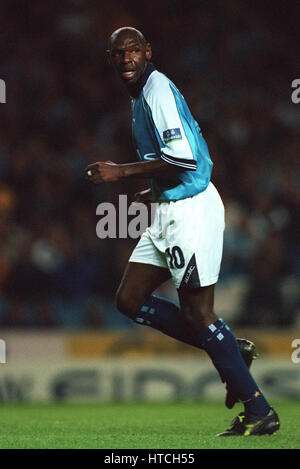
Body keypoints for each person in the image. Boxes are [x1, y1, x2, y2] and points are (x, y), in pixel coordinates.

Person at [85, 27, 280, 436]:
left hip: (190, 213)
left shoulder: (156, 91)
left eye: (134, 50)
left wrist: (120, 172)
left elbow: (183, 159)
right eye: (119, 53)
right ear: (111, 59)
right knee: (130, 299)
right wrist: (151, 189)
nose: (126, 58)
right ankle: (231, 347)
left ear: (147, 52)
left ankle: (259, 410)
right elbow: (169, 163)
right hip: (167, 209)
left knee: (198, 312)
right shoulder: (140, 98)